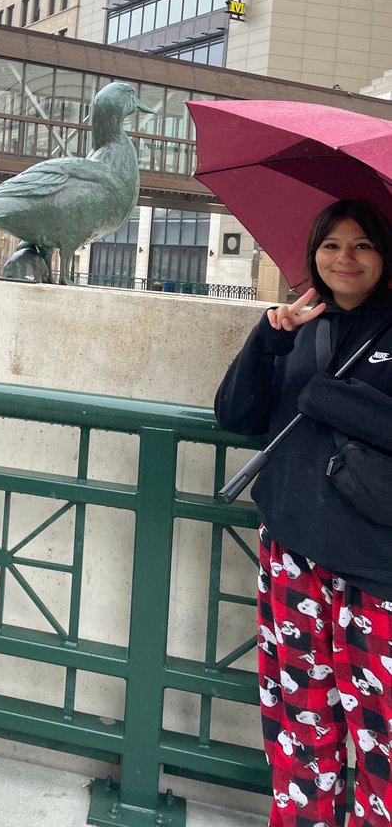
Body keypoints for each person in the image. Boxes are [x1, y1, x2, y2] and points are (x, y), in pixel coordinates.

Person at [215, 199, 392, 825]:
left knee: (383, 749)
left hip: (376, 574)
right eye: (332, 245)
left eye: (363, 245)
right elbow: (233, 416)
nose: (345, 259)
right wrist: (267, 337)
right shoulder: (299, 326)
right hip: (292, 553)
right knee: (300, 727)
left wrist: (331, 398)